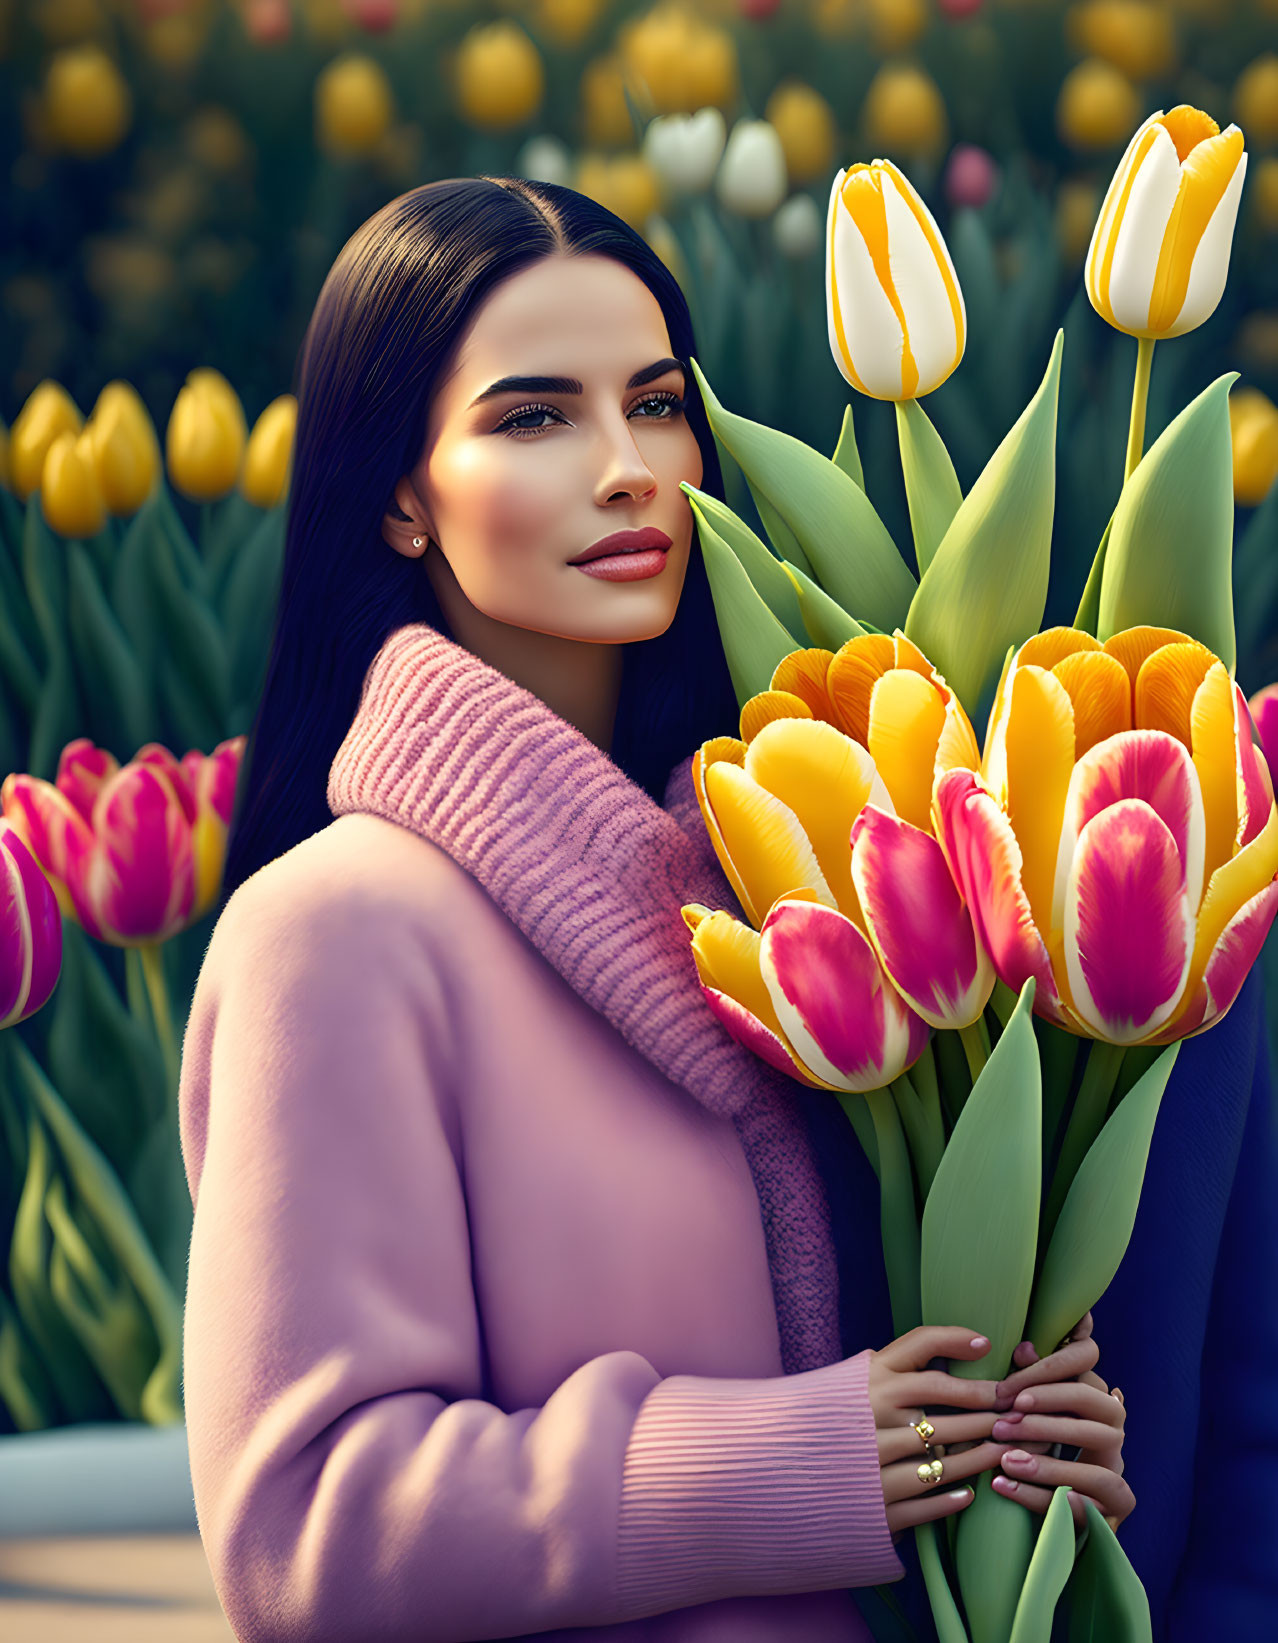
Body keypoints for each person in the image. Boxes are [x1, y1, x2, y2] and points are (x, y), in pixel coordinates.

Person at [177, 176, 1131, 1643]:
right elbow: (308, 1527)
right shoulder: (337, 935)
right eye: (532, 417)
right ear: (397, 495)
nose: (629, 469)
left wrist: (1022, 1422)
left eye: (657, 402)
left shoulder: (790, 868)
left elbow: (902, 1349)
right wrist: (801, 1460)